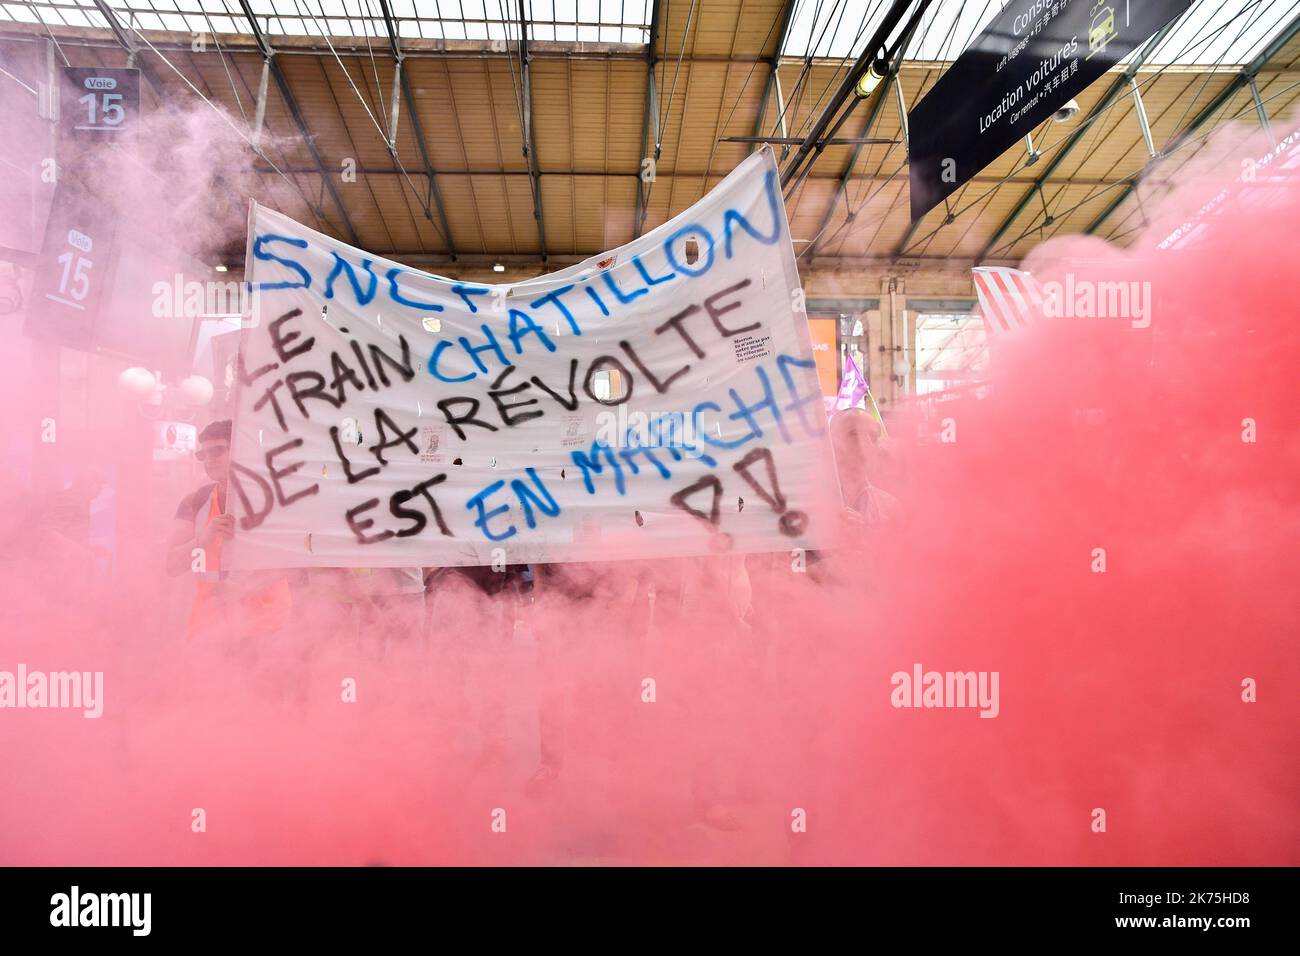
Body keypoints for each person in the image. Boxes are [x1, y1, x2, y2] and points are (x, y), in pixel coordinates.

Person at [165, 420, 292, 643]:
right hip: (209, 628)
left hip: (267, 628)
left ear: (241, 451)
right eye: (202, 454)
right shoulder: (194, 501)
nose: (208, 459)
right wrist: (203, 538)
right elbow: (172, 566)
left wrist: (241, 588)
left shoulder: (274, 499)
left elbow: (294, 563)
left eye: (217, 451)